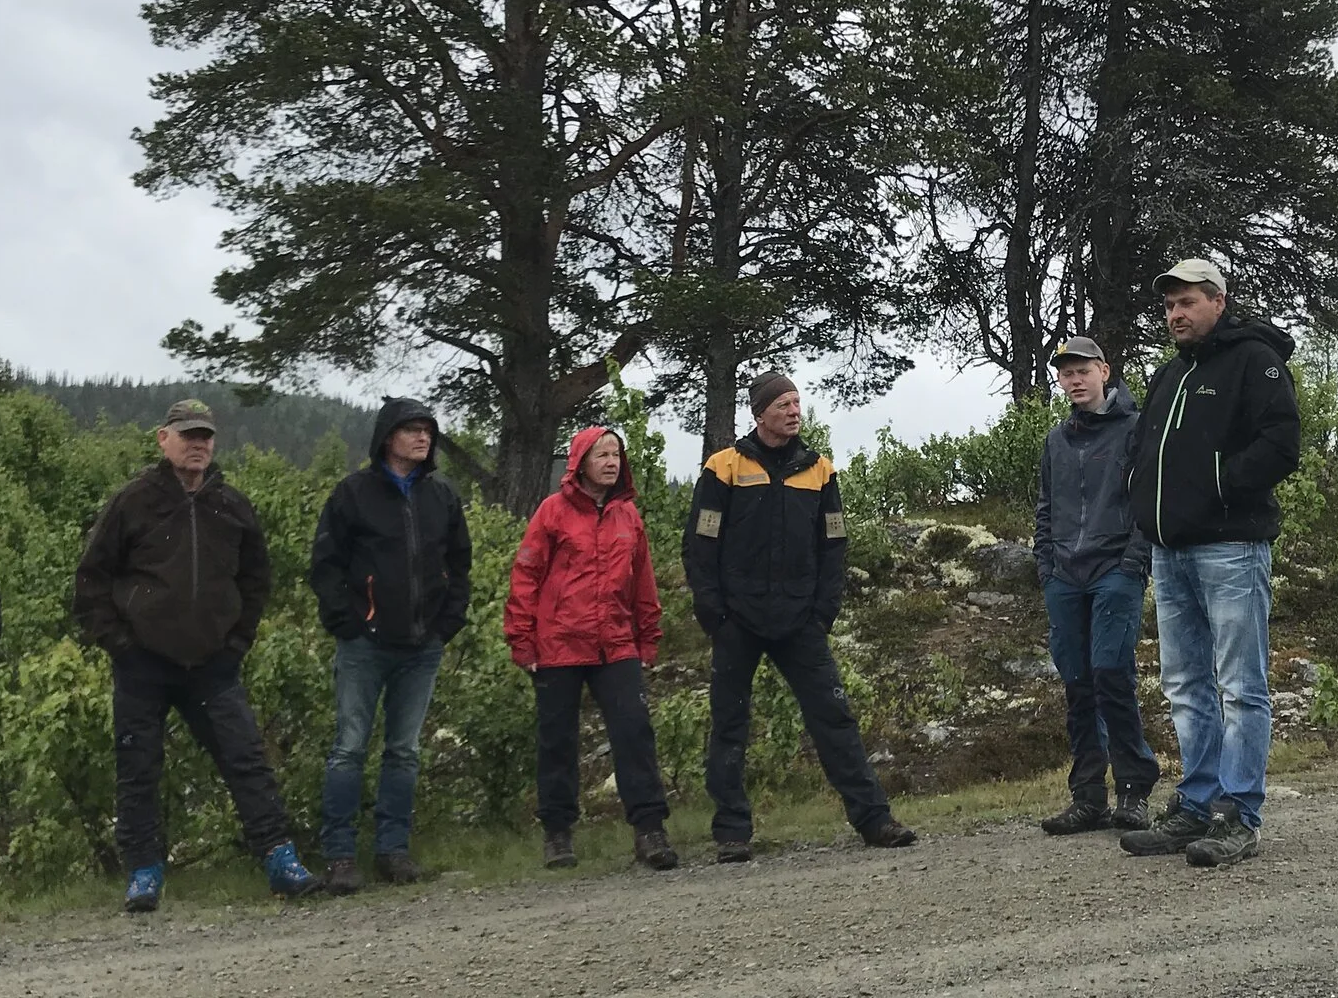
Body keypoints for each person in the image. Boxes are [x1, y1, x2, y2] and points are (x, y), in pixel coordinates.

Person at [75, 398, 321, 909]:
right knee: (138, 767)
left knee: (245, 759)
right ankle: (144, 872)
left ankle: (280, 858)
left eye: (205, 436)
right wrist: (120, 644)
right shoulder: (133, 501)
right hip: (143, 663)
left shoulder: (232, 505)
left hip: (212, 664)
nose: (198, 444)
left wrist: (236, 643)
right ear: (162, 439)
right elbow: (92, 577)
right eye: (187, 435)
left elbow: (256, 580)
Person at [682, 371, 915, 862]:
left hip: (800, 623)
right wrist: (715, 615)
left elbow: (834, 546)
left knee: (835, 719)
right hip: (737, 622)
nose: (794, 411)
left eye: (797, 403)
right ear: (759, 413)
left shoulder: (821, 471)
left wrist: (821, 614)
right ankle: (731, 832)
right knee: (729, 724)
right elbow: (700, 546)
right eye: (783, 403)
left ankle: (875, 820)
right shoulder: (723, 468)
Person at [1120, 259, 1302, 868]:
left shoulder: (1255, 362)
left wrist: (1217, 486)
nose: (1176, 314)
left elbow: (1281, 445)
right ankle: (1195, 804)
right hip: (1169, 552)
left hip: (1230, 546)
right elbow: (1145, 450)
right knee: (1184, 685)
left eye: (1188, 302)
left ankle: (1238, 813)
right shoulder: (1169, 376)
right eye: (1169, 306)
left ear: (1219, 301)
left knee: (1241, 686)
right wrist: (1141, 500)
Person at [308, 397, 474, 892]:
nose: (423, 438)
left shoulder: (442, 496)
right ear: (387, 437)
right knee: (349, 748)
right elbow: (326, 566)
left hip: (423, 646)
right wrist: (348, 622)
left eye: (428, 430)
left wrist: (447, 624)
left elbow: (460, 565)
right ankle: (340, 856)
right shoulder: (352, 494)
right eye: (412, 430)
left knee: (403, 751)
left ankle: (393, 852)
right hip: (365, 645)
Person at [505, 425, 678, 872]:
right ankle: (558, 834)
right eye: (601, 455)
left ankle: (650, 831)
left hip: (616, 644)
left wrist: (649, 636)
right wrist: (521, 639)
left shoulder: (628, 516)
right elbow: (526, 575)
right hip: (558, 645)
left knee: (634, 733)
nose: (611, 462)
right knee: (557, 740)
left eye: (616, 455)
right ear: (579, 462)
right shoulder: (551, 513)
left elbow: (644, 581)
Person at [1032, 335, 1158, 835]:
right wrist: (1046, 565)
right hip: (1064, 574)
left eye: (1082, 369)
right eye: (1066, 372)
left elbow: (1147, 502)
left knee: (1111, 674)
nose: (1074, 379)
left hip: (1115, 571)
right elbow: (1045, 507)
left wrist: (1132, 563)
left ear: (1104, 371)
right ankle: (1087, 797)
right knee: (1078, 683)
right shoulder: (1055, 440)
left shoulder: (1133, 429)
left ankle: (1134, 790)